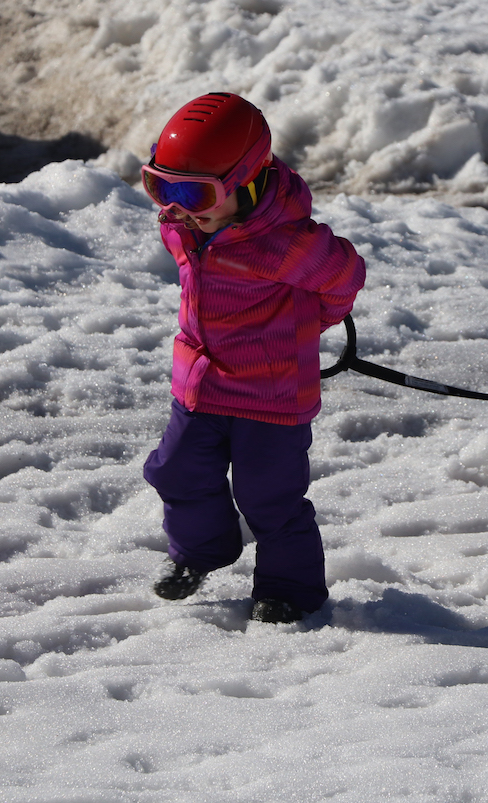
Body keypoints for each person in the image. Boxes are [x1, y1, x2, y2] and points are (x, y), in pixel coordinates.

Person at [138, 92, 366, 624]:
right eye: (160, 186)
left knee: (270, 500)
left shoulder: (286, 243)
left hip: (272, 396)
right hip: (201, 385)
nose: (173, 206)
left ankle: (291, 589)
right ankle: (199, 554)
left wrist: (308, 325)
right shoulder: (189, 226)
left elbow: (345, 277)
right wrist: (189, 200)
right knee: (174, 472)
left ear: (245, 180)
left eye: (191, 192)